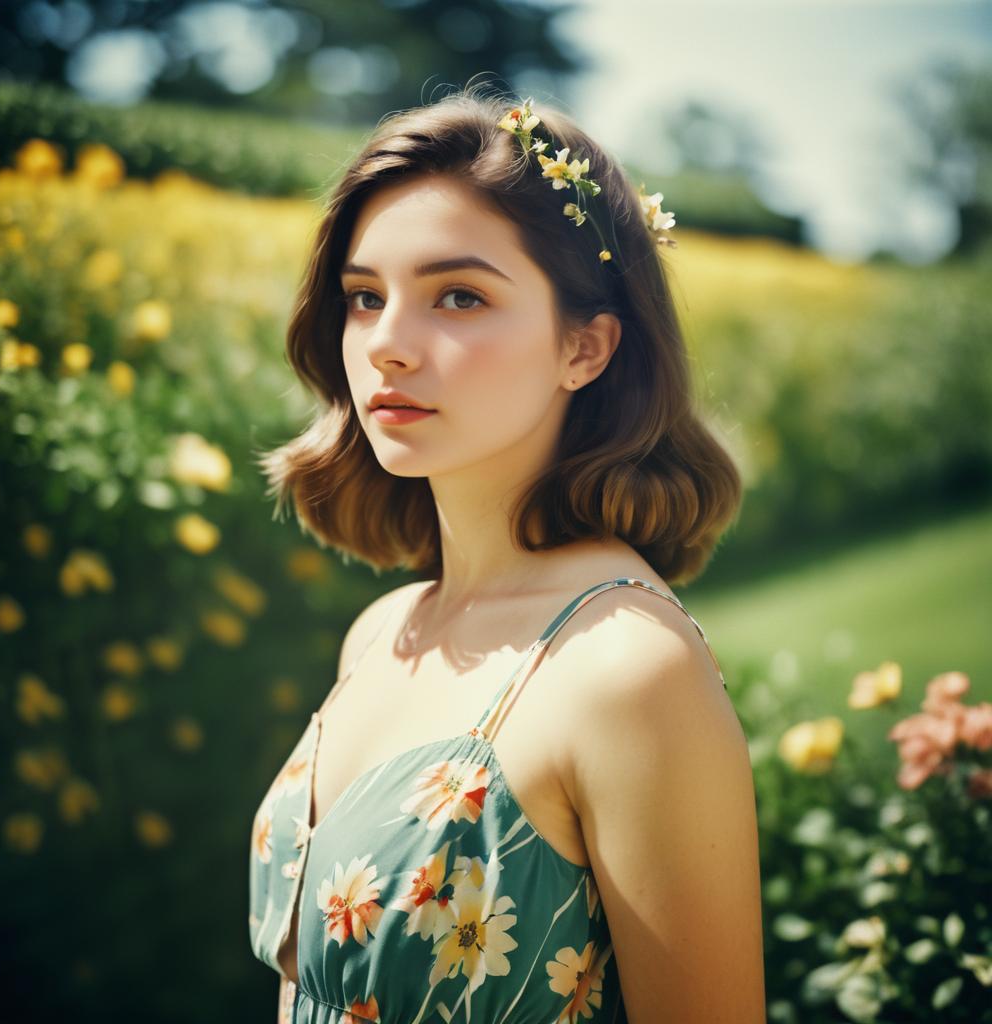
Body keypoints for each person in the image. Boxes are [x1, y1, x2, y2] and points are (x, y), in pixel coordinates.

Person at [248, 85, 765, 1024]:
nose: (387, 347)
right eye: (364, 298)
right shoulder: (381, 634)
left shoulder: (625, 668)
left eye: (458, 295)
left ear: (586, 347)